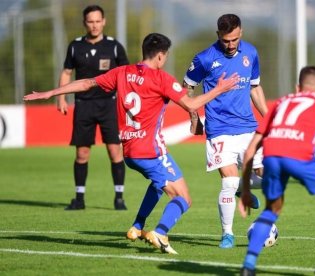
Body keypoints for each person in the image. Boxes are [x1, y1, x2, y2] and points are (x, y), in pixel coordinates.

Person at [24, 33, 239, 254]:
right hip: (151, 152)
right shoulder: (161, 79)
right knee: (184, 198)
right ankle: (161, 232)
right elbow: (191, 102)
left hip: (129, 152)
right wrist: (218, 89)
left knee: (158, 184)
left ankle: (137, 226)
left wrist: (51, 92)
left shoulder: (122, 72)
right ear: (160, 56)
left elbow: (87, 83)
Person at [238, 66, 315, 276]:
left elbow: (251, 150)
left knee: (272, 208)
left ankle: (248, 266)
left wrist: (246, 189)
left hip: (271, 154)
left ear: (297, 87)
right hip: (301, 154)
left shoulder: (282, 102)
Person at [183, 13, 268, 249]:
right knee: (228, 182)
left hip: (248, 128)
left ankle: (244, 188)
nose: (230, 45)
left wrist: (269, 119)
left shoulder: (250, 53)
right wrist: (194, 117)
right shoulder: (204, 58)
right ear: (218, 35)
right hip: (219, 130)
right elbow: (187, 88)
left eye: (233, 40)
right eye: (225, 40)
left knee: (267, 178)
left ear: (241, 32)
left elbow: (255, 87)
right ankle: (227, 234)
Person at [57, 5, 130, 210]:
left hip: (109, 105)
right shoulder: (75, 46)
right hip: (83, 106)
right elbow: (66, 73)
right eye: (90, 21)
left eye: (98, 21)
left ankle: (119, 198)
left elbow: (126, 75)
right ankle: (79, 198)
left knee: (115, 151)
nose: (95, 25)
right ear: (84, 23)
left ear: (104, 22)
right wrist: (61, 98)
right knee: (82, 154)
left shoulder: (114, 46)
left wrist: (127, 102)